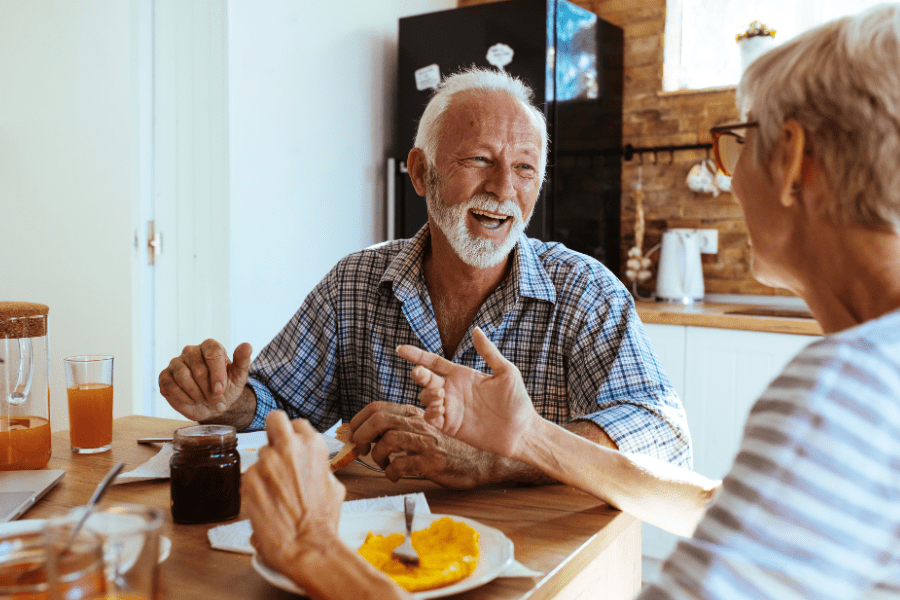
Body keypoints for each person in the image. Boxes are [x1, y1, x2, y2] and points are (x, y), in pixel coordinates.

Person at [243, 6, 900, 599]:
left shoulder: (845, 389)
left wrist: (312, 551)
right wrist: (527, 436)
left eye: (739, 139)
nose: (728, 174)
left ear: (792, 162)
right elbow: (715, 505)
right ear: (422, 172)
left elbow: (670, 448)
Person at [159, 67, 691, 489]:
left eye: (525, 168)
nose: (504, 189)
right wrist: (229, 403)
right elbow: (279, 400)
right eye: (480, 159)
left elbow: (663, 436)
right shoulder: (355, 284)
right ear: (419, 171)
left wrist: (497, 457)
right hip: (380, 555)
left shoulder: (586, 291)